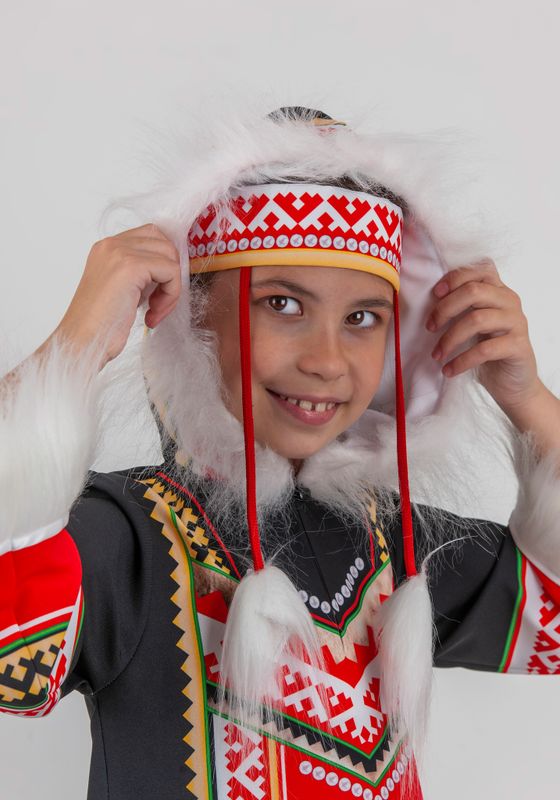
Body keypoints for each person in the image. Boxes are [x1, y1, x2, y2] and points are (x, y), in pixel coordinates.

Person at [1, 105, 559, 800]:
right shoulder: (131, 537)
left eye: (362, 318)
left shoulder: (394, 544)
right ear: (191, 317)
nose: (327, 361)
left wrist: (528, 397)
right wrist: (77, 342)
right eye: (283, 305)